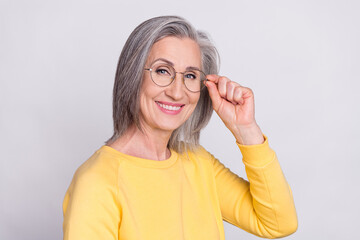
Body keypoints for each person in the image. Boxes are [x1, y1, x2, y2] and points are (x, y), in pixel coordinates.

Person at [62, 16, 298, 240]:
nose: (177, 92)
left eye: (190, 75)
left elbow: (278, 223)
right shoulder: (96, 181)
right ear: (132, 75)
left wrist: (245, 129)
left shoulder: (198, 162)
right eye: (162, 71)